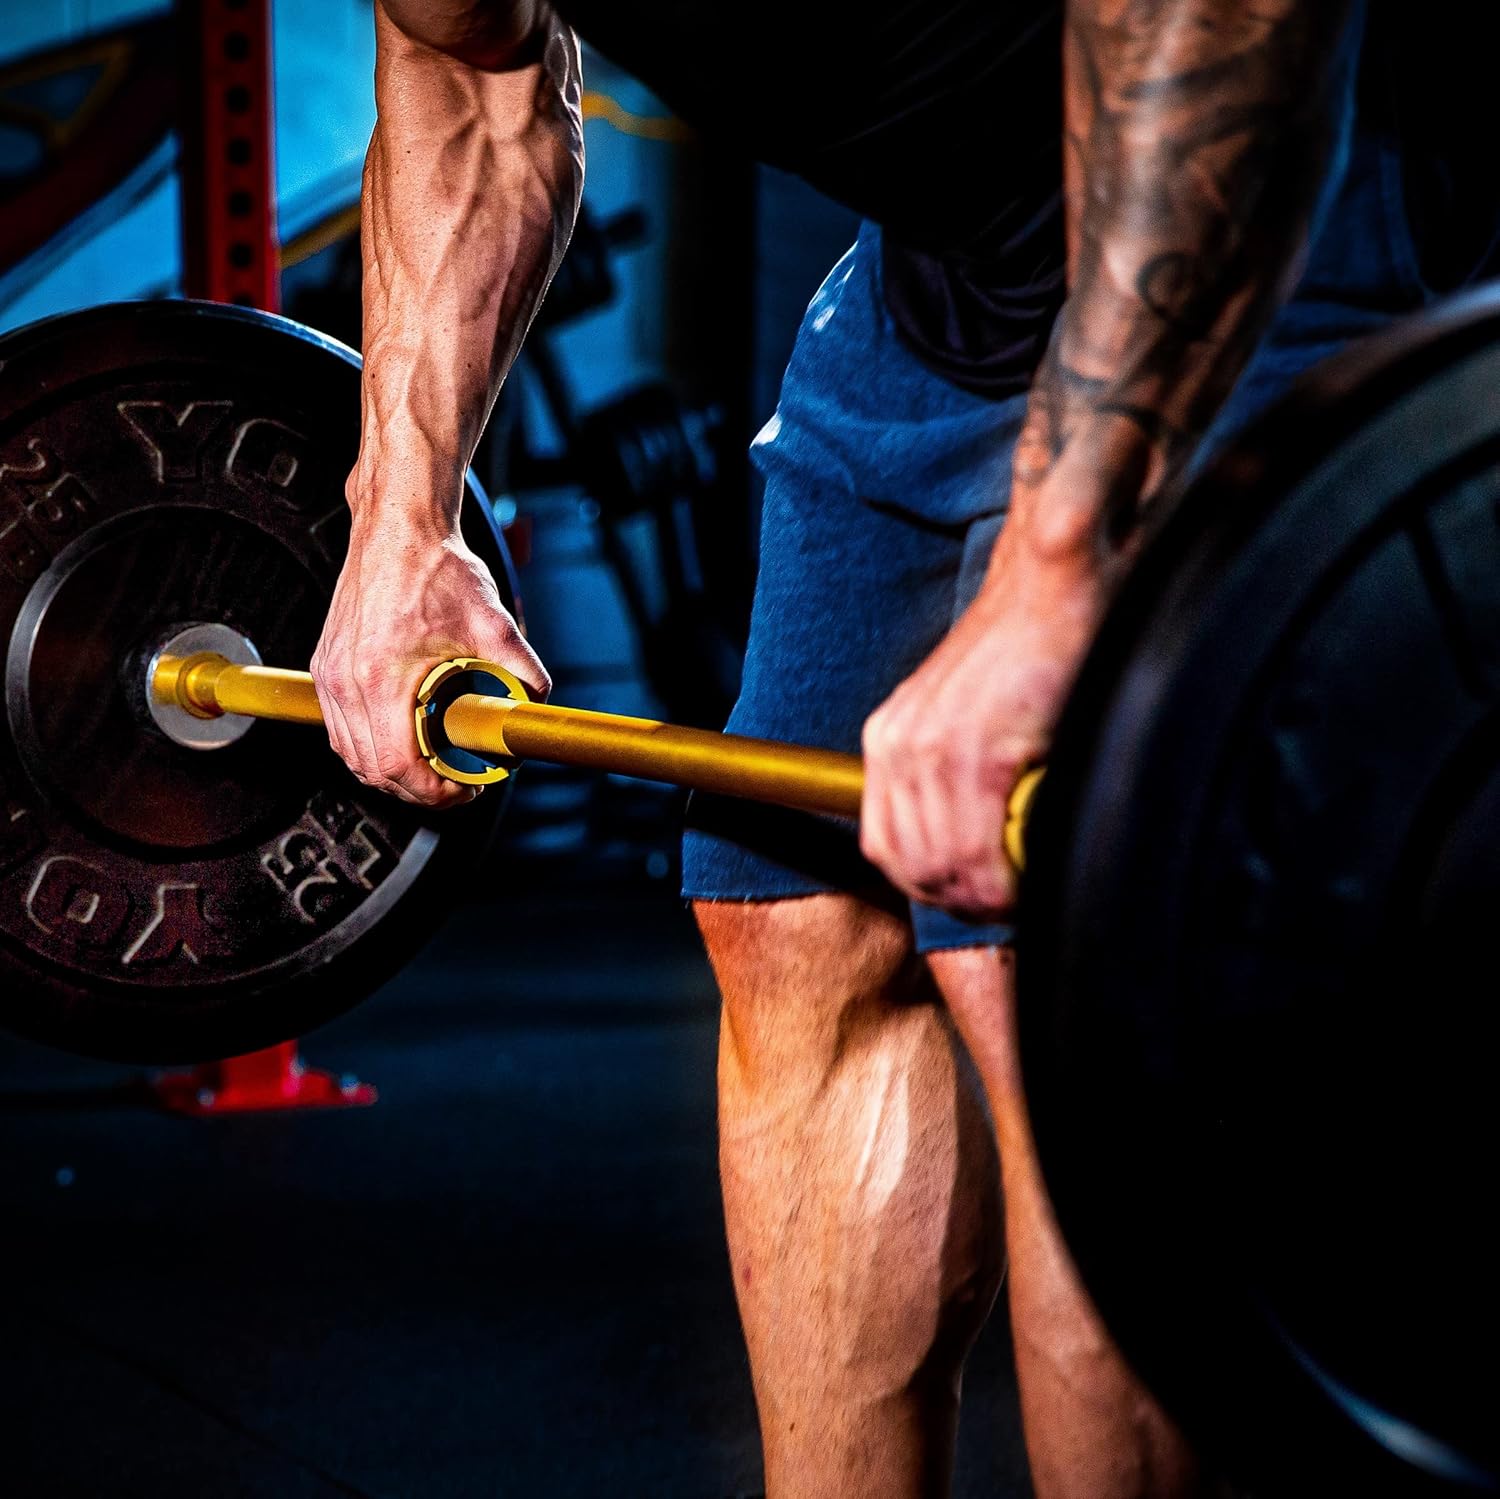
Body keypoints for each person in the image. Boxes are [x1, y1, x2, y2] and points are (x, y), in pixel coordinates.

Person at [310, 2, 1492, 1493]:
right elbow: (465, 68)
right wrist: (398, 522)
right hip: (941, 266)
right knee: (792, 924)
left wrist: (1060, 570)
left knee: (1055, 960)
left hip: (1264, 172)